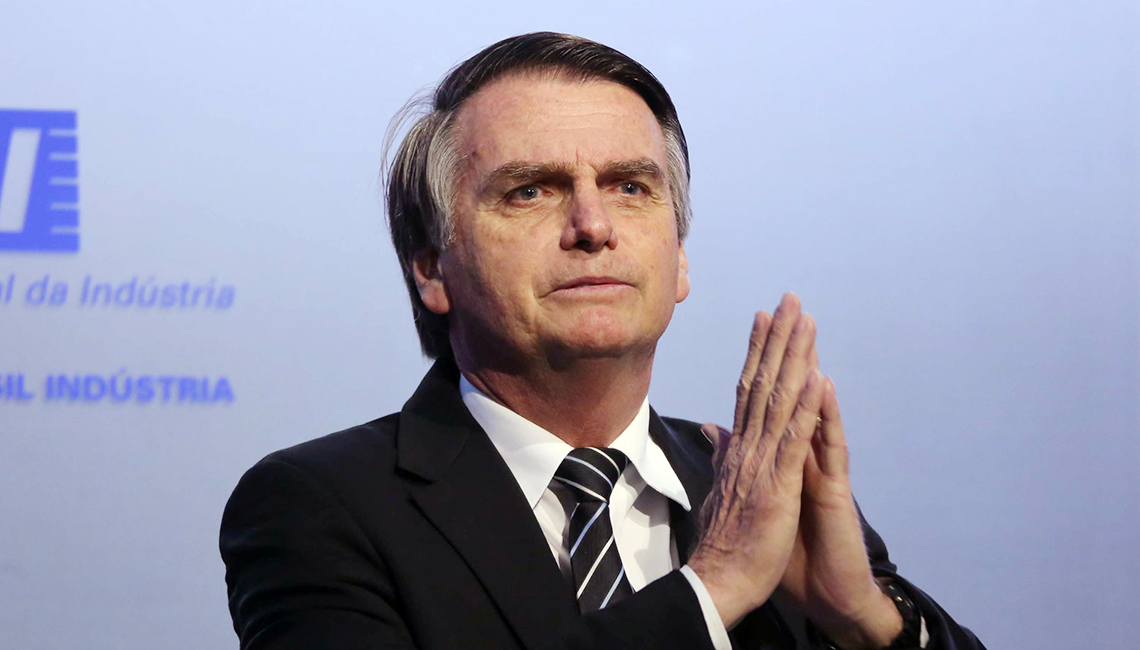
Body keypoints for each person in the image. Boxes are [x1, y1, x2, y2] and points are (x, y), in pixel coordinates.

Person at [220, 32, 985, 650]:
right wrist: (713, 587)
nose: (593, 226)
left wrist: (868, 622)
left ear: (679, 258)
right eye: (530, 190)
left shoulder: (756, 489)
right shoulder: (317, 506)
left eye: (630, 187)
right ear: (431, 266)